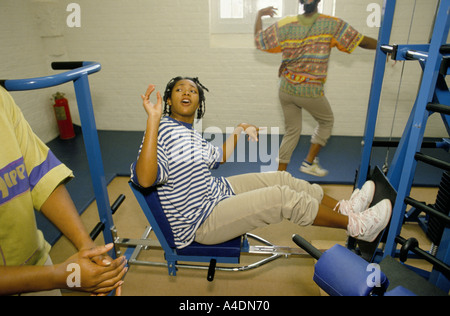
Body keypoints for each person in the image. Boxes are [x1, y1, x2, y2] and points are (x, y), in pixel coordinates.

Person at [130, 77, 391, 251]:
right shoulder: (162, 128)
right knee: (282, 198)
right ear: (168, 100)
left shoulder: (188, 131)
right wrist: (152, 120)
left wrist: (240, 128)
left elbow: (218, 157)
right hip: (201, 221)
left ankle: (344, 209)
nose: (187, 92)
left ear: (199, 102)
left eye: (193, 90)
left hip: (215, 192)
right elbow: (144, 178)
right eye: (179, 89)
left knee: (282, 179)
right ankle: (359, 227)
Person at [0, 86, 127, 296]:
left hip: (37, 265)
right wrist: (60, 276)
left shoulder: (2, 99)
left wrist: (86, 246)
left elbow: (40, 174)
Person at [254, 0, 378, 176]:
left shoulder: (286, 24)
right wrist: (384, 47)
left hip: (286, 89)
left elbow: (259, 41)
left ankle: (279, 175)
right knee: (326, 121)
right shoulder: (331, 24)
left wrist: (259, 14)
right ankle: (308, 162)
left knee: (292, 131)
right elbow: (361, 41)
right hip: (310, 91)